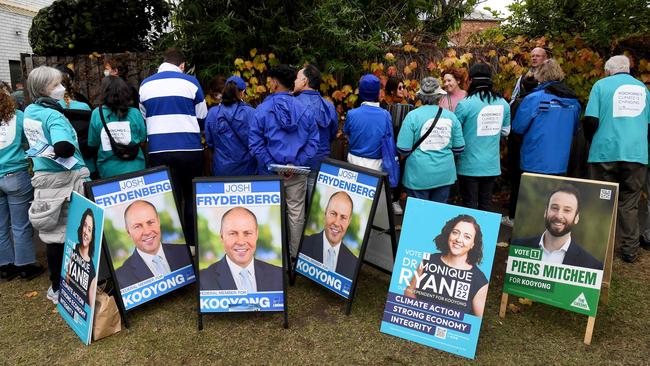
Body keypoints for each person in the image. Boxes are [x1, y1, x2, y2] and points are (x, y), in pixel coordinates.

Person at [24, 66, 89, 304]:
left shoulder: (30, 110)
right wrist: (61, 146)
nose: (62, 88)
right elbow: (64, 147)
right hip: (66, 181)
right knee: (71, 233)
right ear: (43, 89)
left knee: (51, 234)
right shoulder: (53, 115)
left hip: (44, 179)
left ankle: (56, 286)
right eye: (56, 85)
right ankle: (66, 286)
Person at [583, 55, 650, 263]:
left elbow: (591, 120)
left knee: (601, 199)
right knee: (629, 202)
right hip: (636, 154)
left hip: (605, 152)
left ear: (608, 70)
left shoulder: (601, 86)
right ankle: (630, 249)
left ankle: (598, 247)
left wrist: (590, 140)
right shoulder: (644, 90)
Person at [139, 48, 208, 247]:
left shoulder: (145, 84)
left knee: (169, 199)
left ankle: (174, 248)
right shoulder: (191, 82)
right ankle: (194, 244)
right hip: (189, 148)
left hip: (158, 150)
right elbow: (202, 117)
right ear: (182, 65)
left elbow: (144, 117)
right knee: (191, 195)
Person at [249, 64, 319, 257]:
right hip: (296, 172)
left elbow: (255, 144)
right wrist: (294, 164)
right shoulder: (305, 109)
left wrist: (273, 165)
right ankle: (295, 255)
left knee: (269, 213)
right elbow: (313, 142)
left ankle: (271, 257)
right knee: (296, 213)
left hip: (269, 173)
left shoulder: (262, 110)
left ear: (274, 83)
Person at [404, 214, 488, 317]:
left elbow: (477, 321)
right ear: (449, 234)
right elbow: (409, 292)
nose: (458, 239)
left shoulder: (479, 280)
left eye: (467, 237)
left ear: (473, 244)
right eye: (455, 232)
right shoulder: (428, 260)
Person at [396, 77, 465, 203]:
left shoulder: (412, 116)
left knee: (418, 214)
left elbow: (403, 149)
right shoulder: (452, 117)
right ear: (439, 96)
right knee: (438, 216)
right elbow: (459, 148)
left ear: (421, 96)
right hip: (444, 175)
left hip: (417, 175)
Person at [504, 47, 551, 227]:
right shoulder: (522, 78)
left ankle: (534, 218)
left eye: (538, 55)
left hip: (539, 133)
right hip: (521, 132)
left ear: (546, 58)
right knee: (518, 172)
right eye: (532, 55)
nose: (534, 58)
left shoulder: (549, 81)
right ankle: (515, 214)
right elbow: (514, 100)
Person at [455, 63, 511, 212]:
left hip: (468, 165)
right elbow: (506, 132)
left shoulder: (464, 104)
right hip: (491, 165)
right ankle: (485, 235)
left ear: (471, 80)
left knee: (469, 206)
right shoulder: (503, 104)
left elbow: (455, 132)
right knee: (486, 205)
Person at [0, 87, 42, 281]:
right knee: (20, 224)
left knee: (0, 225)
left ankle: (5, 265)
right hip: (16, 174)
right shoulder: (19, 116)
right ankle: (25, 265)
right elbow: (29, 143)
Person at [512, 59, 581, 175]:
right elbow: (574, 130)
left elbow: (518, 127)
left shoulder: (534, 98)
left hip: (534, 161)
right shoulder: (574, 102)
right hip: (561, 163)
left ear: (540, 75)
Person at [511, 185, 604, 270]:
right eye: (554, 208)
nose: (559, 216)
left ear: (576, 218)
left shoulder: (592, 265)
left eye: (567, 210)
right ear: (545, 212)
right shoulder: (517, 246)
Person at [200, 207, 283, 291]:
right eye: (233, 233)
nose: (241, 242)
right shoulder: (203, 279)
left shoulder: (278, 275)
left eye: (247, 233)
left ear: (256, 235)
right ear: (222, 236)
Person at [114, 200, 192, 288]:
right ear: (128, 231)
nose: (147, 232)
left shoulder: (185, 252)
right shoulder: (121, 278)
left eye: (150, 222)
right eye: (137, 226)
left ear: (158, 221)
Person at [88, 76, 146, 178]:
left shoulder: (97, 113)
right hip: (136, 167)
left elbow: (93, 142)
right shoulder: (135, 113)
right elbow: (142, 140)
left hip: (108, 170)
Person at [293, 64, 338, 194]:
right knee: (315, 207)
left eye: (297, 77)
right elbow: (332, 134)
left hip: (296, 164)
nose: (294, 81)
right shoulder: (329, 106)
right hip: (320, 162)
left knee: (296, 208)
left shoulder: (292, 104)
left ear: (304, 81)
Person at [205, 76, 257, 176]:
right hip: (248, 170)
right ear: (242, 93)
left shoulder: (212, 113)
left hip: (222, 170)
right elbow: (256, 142)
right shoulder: (251, 112)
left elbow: (210, 142)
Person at [299, 191, 358, 279]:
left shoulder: (353, 263)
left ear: (349, 221)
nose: (337, 223)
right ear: (325, 213)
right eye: (333, 214)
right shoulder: (304, 245)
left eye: (343, 217)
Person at [344, 74, 393, 172]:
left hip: (353, 161)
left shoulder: (351, 114)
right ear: (378, 93)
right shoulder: (385, 115)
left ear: (361, 92)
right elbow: (389, 139)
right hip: (376, 165)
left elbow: (347, 134)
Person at [380, 76, 413, 215]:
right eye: (399, 87)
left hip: (402, 143)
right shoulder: (383, 104)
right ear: (392, 90)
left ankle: (395, 200)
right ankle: (383, 199)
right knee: (386, 170)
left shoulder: (409, 105)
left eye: (403, 87)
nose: (402, 90)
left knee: (399, 171)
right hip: (387, 143)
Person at [57, 67, 95, 177]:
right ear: (71, 83)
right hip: (86, 161)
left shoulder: (51, 108)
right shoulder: (84, 105)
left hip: (64, 164)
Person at [64, 208, 98, 306]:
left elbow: (91, 309)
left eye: (90, 229)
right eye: (85, 226)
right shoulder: (73, 248)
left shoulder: (92, 272)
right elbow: (67, 279)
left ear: (92, 236)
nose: (86, 232)